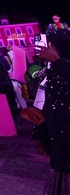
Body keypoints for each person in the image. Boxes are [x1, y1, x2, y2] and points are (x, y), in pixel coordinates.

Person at [21, 28, 70, 173]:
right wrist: (38, 137)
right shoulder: (46, 71)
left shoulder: (62, 66)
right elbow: (41, 105)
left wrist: (58, 62)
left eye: (49, 45)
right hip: (56, 136)